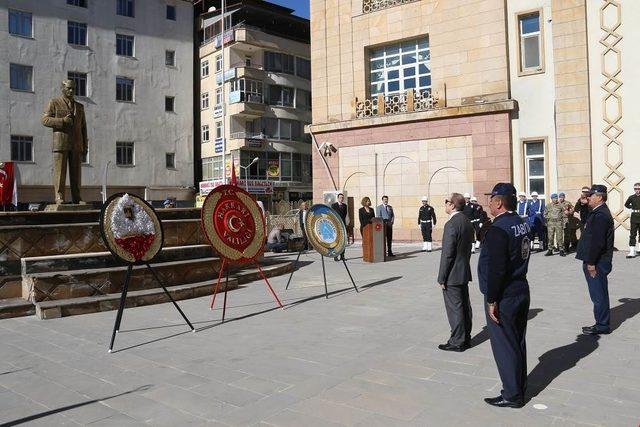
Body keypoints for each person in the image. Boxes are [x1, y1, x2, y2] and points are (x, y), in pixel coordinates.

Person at [478, 183, 531, 408]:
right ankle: (519, 385)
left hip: (504, 294)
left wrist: (492, 300)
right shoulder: (521, 223)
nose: (488, 202)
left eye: (491, 199)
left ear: (499, 202)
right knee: (517, 341)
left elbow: (497, 268)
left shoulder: (499, 229)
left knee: (504, 345)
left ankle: (511, 394)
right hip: (520, 287)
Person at [437, 193, 475, 352]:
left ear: (452, 205)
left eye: (446, 201)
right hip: (463, 269)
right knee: (464, 306)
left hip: (452, 273)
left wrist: (441, 277)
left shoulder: (451, 224)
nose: (444, 204)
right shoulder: (466, 221)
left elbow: (447, 253)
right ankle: (465, 337)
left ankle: (457, 341)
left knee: (455, 308)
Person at [41, 79, 88, 204]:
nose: (71, 90)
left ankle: (77, 198)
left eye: (73, 88)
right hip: (60, 143)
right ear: (62, 88)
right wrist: (62, 121)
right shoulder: (54, 102)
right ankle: (59, 196)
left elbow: (83, 128)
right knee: (60, 173)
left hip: (77, 144)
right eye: (69, 88)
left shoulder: (80, 107)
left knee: (76, 174)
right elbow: (45, 120)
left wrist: (85, 146)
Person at [576, 185, 614, 335]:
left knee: (598, 295)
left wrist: (591, 263)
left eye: (591, 195)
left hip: (597, 262)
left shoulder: (601, 215)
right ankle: (601, 322)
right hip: (595, 261)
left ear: (599, 197)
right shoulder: (597, 212)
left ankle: (602, 325)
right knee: (598, 293)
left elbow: (598, 242)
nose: (588, 197)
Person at [624, 182, 640, 258]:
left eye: (638, 188)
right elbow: (626, 204)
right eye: (635, 189)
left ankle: (639, 249)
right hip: (634, 217)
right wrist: (631, 207)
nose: (637, 190)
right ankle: (632, 252)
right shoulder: (631, 197)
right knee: (633, 234)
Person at [331, 193, 348, 261]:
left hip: (342, 224)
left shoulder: (345, 205)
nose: (342, 199)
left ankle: (342, 256)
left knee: (343, 241)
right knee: (337, 241)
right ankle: (335, 255)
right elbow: (332, 214)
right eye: (340, 197)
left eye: (342, 198)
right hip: (336, 225)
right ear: (338, 198)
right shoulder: (334, 205)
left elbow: (345, 214)